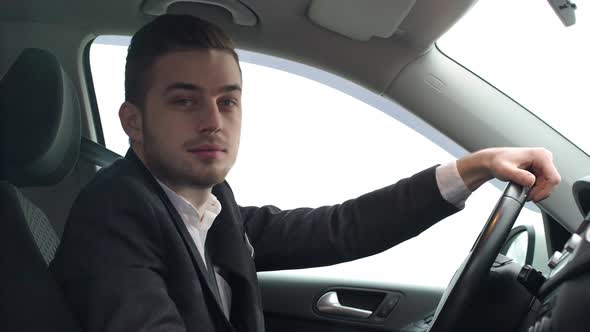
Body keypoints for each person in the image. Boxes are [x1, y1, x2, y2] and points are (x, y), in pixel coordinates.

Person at [50, 14, 561, 332]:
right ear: (133, 123)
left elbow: (335, 228)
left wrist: (471, 169)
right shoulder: (114, 216)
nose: (213, 121)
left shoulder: (208, 204)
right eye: (185, 100)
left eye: (228, 101)